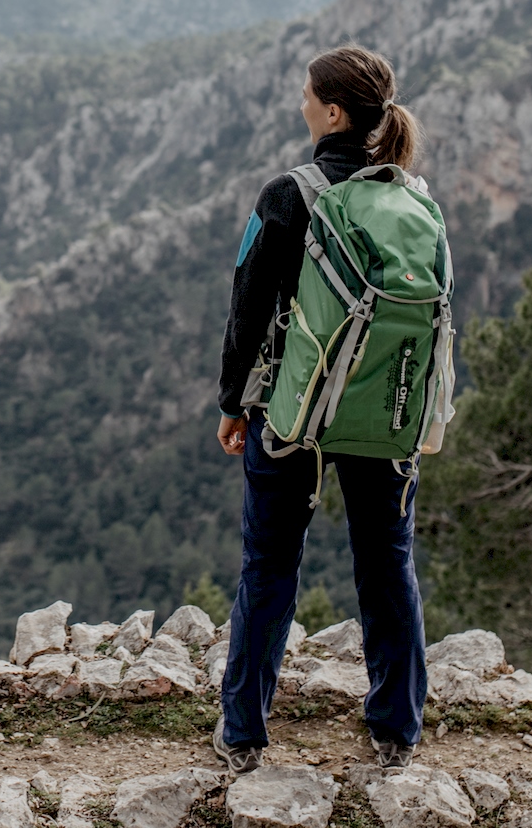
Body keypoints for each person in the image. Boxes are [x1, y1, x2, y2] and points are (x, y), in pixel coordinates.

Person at [211, 44, 427, 774]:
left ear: (332, 113)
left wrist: (234, 403)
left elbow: (246, 309)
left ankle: (243, 732)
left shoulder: (288, 193)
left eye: (308, 94)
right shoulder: (411, 198)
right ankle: (396, 727)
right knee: (387, 561)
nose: (300, 101)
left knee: (270, 565)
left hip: (291, 411)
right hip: (383, 414)